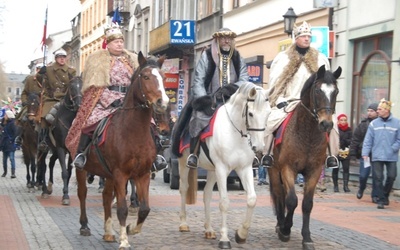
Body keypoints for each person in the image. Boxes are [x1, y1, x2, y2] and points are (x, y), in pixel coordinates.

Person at [261, 21, 339, 169]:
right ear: (296, 38)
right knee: (270, 122)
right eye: (303, 36)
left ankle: (331, 156)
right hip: (289, 101)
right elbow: (276, 83)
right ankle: (267, 154)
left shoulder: (320, 58)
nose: (307, 39)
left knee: (332, 125)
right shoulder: (283, 58)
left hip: (313, 105)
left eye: (309, 36)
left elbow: (327, 82)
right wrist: (279, 100)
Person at [66, 23, 140, 169]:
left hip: (129, 100)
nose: (119, 44)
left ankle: (156, 154)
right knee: (88, 123)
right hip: (106, 101)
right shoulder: (97, 59)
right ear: (108, 44)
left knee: (150, 122)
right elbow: (96, 86)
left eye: (121, 42)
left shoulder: (132, 59)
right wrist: (111, 101)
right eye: (116, 42)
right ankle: (82, 154)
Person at [186, 27, 249, 168]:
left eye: (229, 38)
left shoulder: (238, 57)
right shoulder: (207, 56)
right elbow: (198, 81)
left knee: (251, 118)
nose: (226, 41)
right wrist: (204, 100)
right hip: (211, 100)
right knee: (198, 117)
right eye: (223, 38)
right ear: (217, 40)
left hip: (233, 99)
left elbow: (245, 78)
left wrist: (232, 89)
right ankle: (194, 154)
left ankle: (253, 154)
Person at [362, 98, 400, 209]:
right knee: (377, 178)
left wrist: (394, 148)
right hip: (377, 154)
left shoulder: (397, 123)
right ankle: (382, 200)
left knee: (392, 176)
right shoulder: (374, 124)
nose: (377, 111)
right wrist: (365, 153)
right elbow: (368, 140)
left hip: (391, 155)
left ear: (386, 110)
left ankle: (385, 195)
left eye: (379, 109)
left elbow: (399, 139)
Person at [36, 49, 77, 150]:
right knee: (45, 117)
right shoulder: (49, 69)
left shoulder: (71, 70)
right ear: (56, 58)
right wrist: (41, 73)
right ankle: (44, 140)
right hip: (51, 99)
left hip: (65, 99)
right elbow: (39, 79)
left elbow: (74, 84)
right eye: (60, 57)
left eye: (64, 57)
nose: (62, 59)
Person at [349, 103, 379, 201]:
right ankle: (361, 188)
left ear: (377, 112)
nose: (369, 113)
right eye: (368, 110)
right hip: (365, 155)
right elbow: (355, 139)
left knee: (376, 176)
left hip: (377, 155)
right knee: (363, 175)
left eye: (372, 111)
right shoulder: (363, 124)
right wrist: (352, 154)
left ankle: (374, 195)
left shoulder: (380, 124)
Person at [14, 63, 44, 145]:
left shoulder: (47, 80)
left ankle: (46, 139)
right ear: (36, 70)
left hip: (43, 104)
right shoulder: (30, 79)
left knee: (49, 117)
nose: (39, 71)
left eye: (41, 70)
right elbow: (24, 93)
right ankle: (19, 137)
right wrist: (24, 101)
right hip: (31, 104)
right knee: (23, 116)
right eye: (38, 69)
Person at [333, 113, 352, 192]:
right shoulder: (335, 130)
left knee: (346, 169)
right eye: (341, 120)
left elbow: (352, 140)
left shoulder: (349, 130)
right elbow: (333, 139)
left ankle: (345, 186)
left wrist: (346, 141)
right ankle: (336, 186)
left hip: (345, 152)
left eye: (345, 120)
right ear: (338, 121)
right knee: (335, 169)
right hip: (336, 152)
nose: (343, 122)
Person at [1, 110, 18, 178]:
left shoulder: (12, 123)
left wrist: (12, 140)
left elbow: (15, 133)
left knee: (11, 158)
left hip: (10, 143)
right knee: (4, 160)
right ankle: (5, 172)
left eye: (5, 115)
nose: (4, 116)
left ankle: (13, 173)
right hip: (5, 144)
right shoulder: (4, 123)